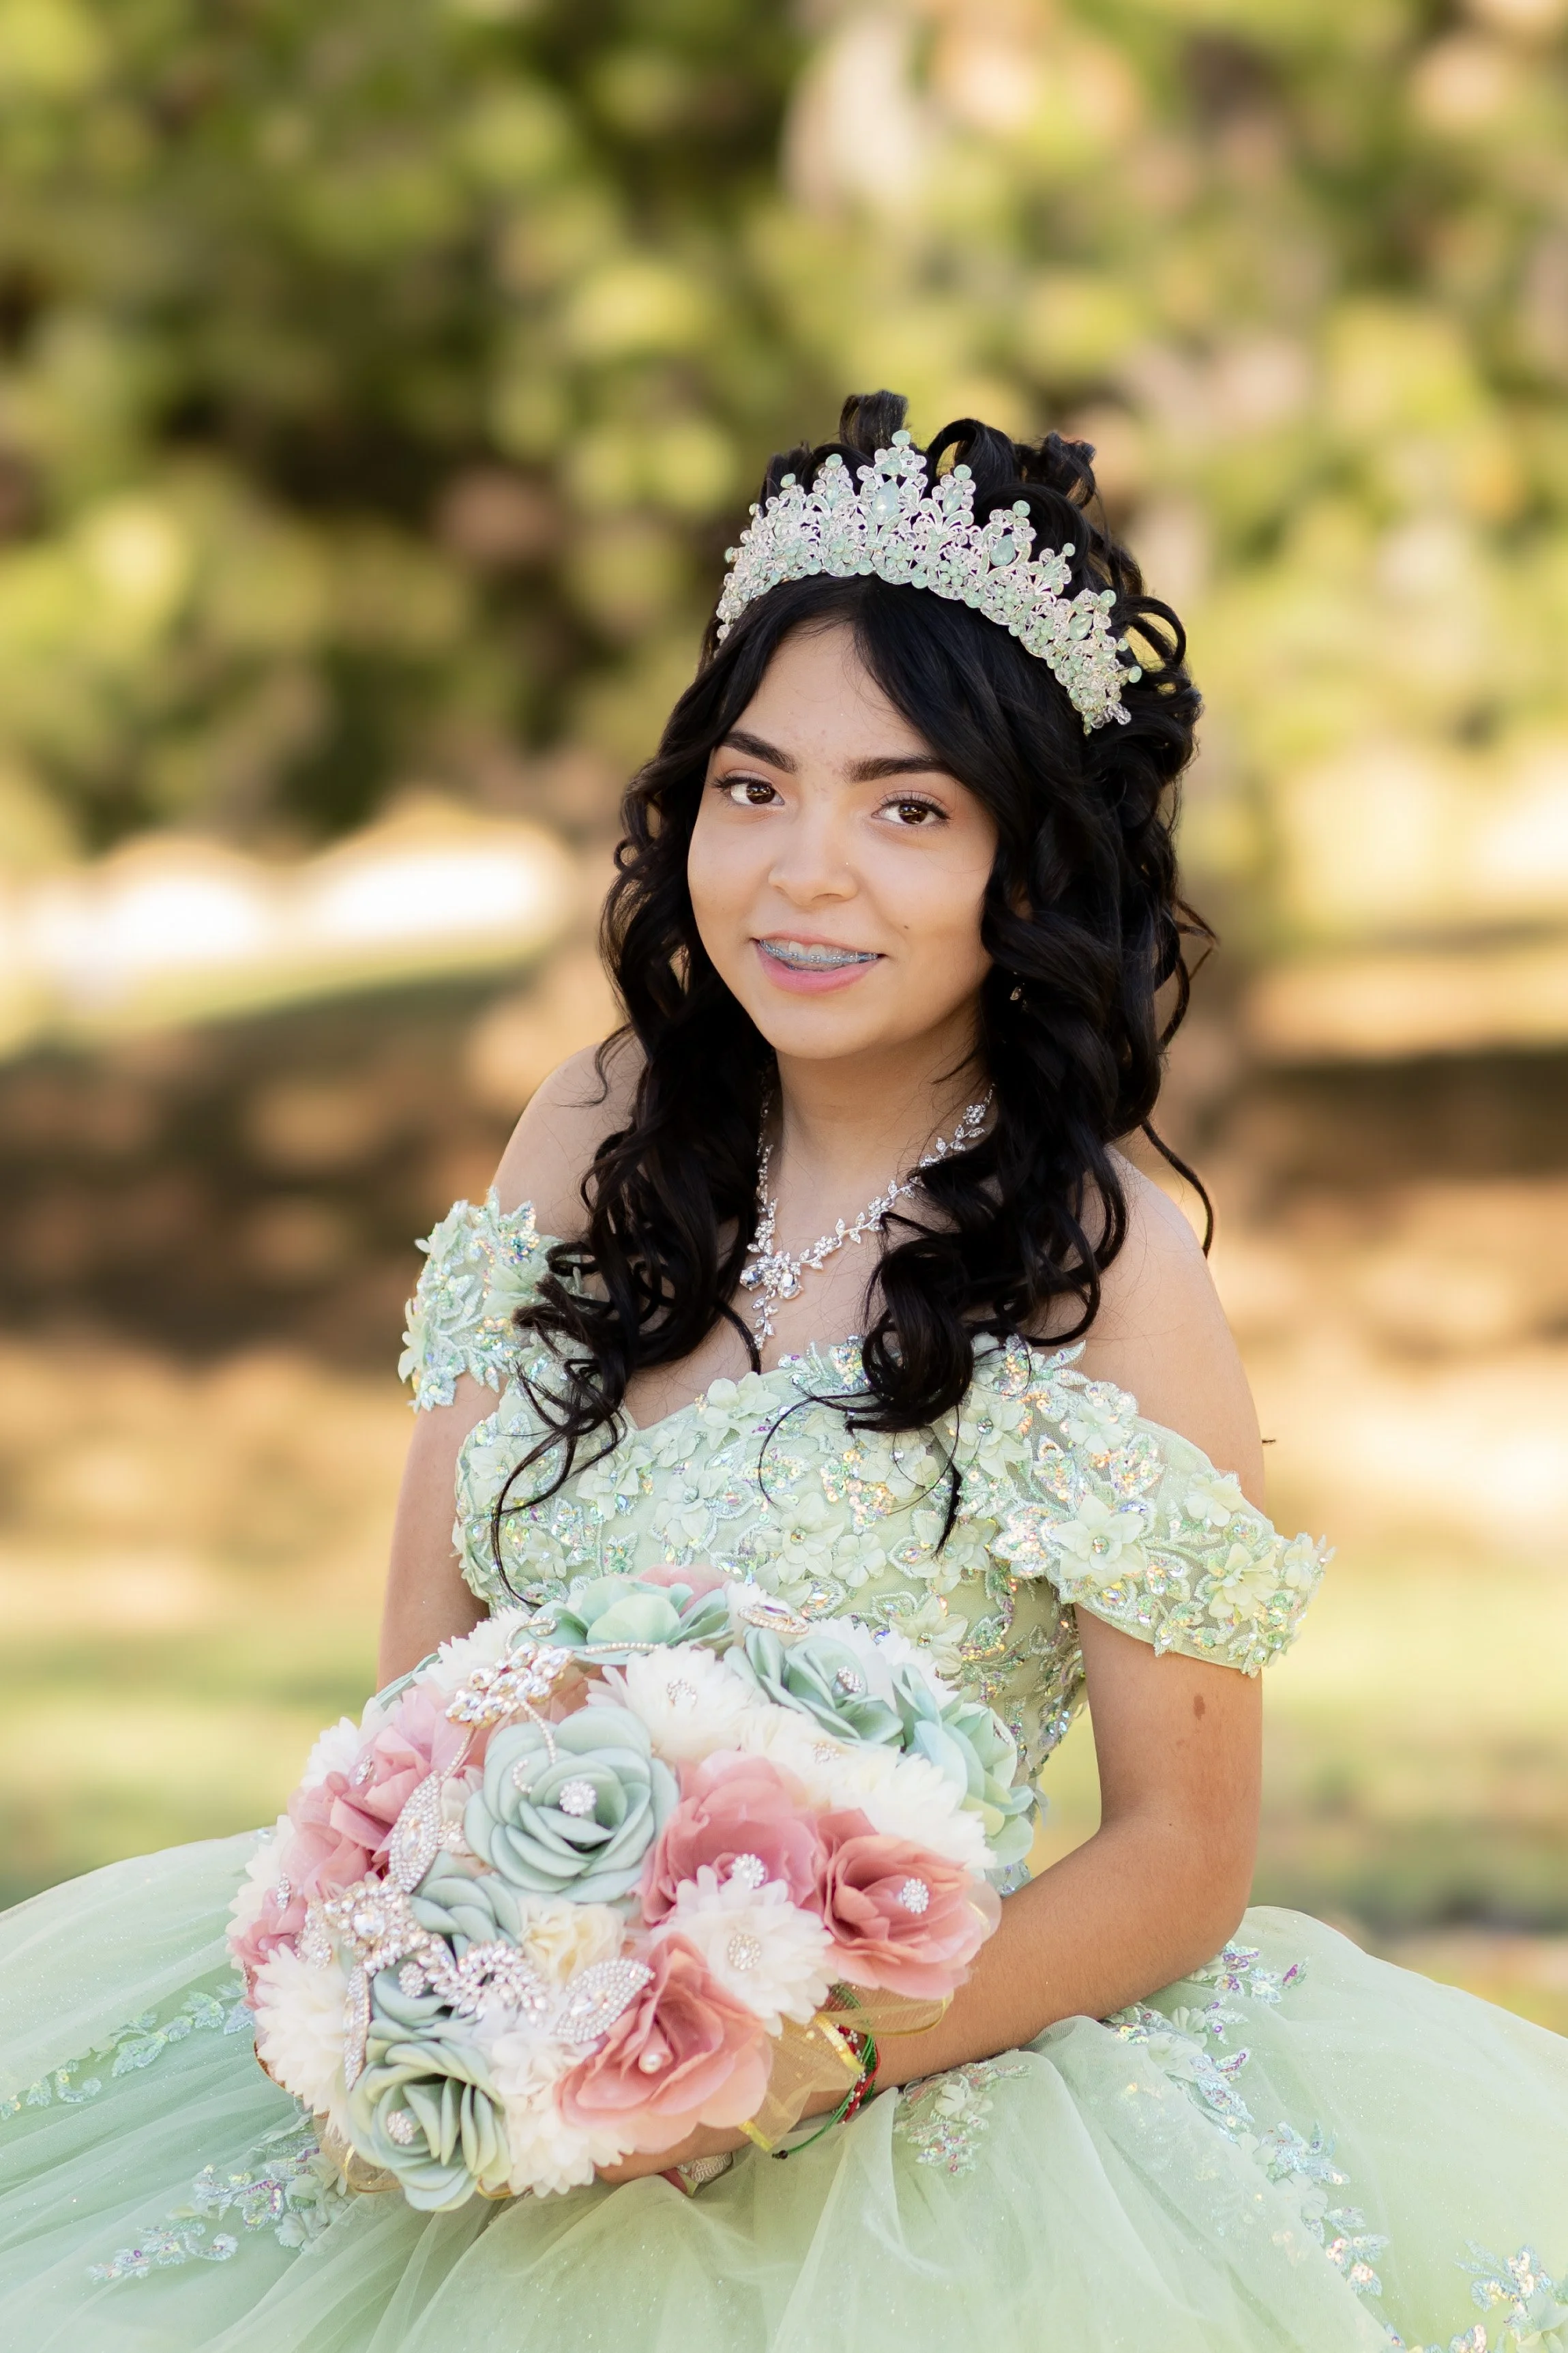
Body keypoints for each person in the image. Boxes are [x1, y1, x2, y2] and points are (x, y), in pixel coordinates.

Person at [1, 392, 1564, 2352]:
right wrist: (450, 1963)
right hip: (496, 2032)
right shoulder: (590, 1128)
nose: (804, 873)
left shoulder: (1104, 1275)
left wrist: (792, 2064)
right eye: (757, 788)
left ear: (1028, 864)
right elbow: (427, 1665)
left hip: (911, 2108)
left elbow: (1184, 1850)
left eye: (906, 809)